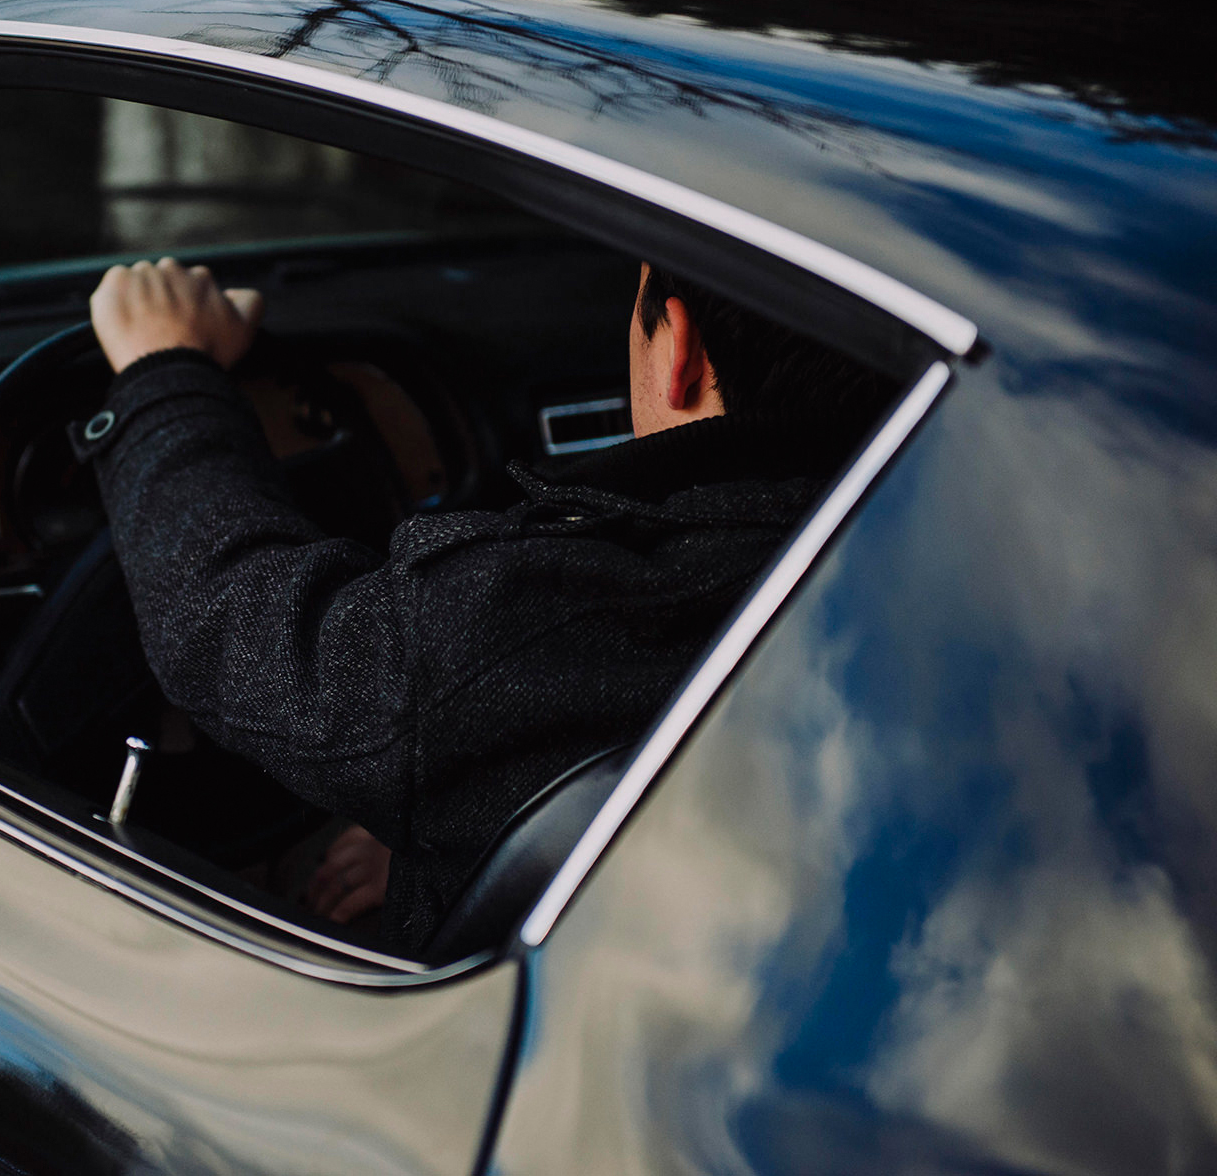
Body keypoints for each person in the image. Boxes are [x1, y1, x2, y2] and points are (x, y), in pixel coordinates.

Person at [78, 255, 894, 953]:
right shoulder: (933, 567)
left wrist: (163, 372)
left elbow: (236, 626)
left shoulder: (545, 619)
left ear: (677, 351)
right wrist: (473, 816)